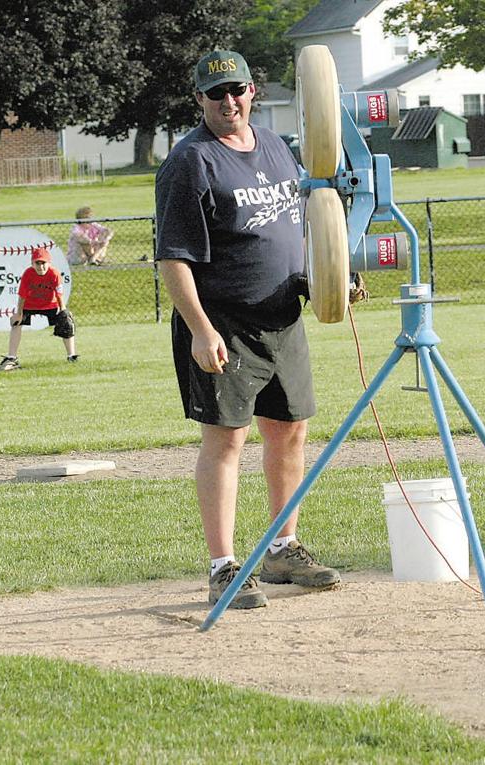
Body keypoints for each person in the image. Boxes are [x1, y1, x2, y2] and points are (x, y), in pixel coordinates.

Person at [154, 49, 339, 610]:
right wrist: (201, 330)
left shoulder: (279, 151)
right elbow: (173, 260)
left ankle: (284, 548)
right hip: (224, 324)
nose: (228, 100)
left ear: (253, 90)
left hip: (283, 318)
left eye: (236, 89)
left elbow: (294, 231)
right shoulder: (190, 162)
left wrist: (327, 279)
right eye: (215, 93)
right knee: (226, 440)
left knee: (289, 431)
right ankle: (223, 567)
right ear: (199, 100)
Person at [0, 247, 77, 371]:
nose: (40, 266)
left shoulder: (54, 274)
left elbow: (59, 294)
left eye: (43, 263)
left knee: (66, 323)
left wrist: (63, 311)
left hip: (50, 305)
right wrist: (19, 313)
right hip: (29, 304)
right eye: (37, 263)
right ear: (32, 264)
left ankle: (71, 356)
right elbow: (22, 295)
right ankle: (12, 358)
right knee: (16, 323)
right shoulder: (28, 274)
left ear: (49, 263)